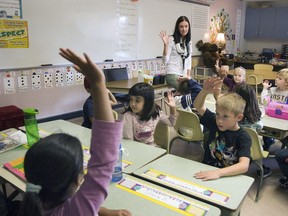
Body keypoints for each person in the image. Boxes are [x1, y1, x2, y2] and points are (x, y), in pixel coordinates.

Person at [19, 48, 131, 216]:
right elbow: (103, 159)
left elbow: (75, 204)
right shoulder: (75, 212)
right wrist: (99, 83)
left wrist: (102, 210)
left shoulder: (36, 202)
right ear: (79, 179)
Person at [193, 76, 251, 181]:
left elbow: (244, 165)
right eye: (217, 114)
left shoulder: (243, 137)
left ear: (239, 117)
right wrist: (205, 90)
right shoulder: (214, 122)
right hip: (206, 170)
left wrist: (219, 172)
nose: (219, 120)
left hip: (227, 177)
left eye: (225, 117)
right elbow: (198, 106)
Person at [234, 83, 272, 178]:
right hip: (252, 151)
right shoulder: (254, 118)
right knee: (256, 145)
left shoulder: (232, 115)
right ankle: (260, 170)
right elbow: (260, 128)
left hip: (233, 148)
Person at [159, 16, 192, 90]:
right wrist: (165, 45)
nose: (184, 29)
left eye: (186, 26)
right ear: (178, 28)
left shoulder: (188, 42)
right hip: (172, 73)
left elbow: (189, 60)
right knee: (186, 88)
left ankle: (177, 97)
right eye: (181, 27)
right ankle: (177, 96)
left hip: (183, 74)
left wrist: (188, 76)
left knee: (193, 86)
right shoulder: (171, 39)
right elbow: (165, 61)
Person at [261, 68, 288, 151]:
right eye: (276, 77)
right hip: (271, 117)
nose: (276, 79)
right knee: (265, 130)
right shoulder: (272, 90)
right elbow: (264, 102)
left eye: (280, 78)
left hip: (283, 120)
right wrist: (265, 89)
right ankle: (267, 144)